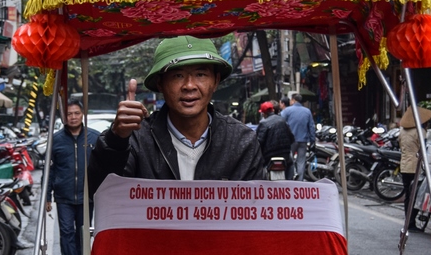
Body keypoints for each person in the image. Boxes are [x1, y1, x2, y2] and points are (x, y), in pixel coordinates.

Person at [88, 36, 264, 195]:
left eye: (200, 74)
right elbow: (101, 193)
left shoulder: (241, 141)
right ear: (160, 84)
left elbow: (253, 211)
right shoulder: (136, 139)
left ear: (215, 81)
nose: (189, 85)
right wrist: (116, 140)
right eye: (178, 75)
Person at [47, 99, 101, 255]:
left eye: (76, 113)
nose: (73, 117)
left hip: (87, 195)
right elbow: (50, 170)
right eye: (69, 114)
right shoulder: (56, 140)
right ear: (64, 116)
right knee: (66, 232)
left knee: (83, 233)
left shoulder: (94, 138)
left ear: (82, 114)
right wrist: (47, 196)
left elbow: (102, 167)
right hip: (64, 196)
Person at [399, 105, 431, 230]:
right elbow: (425, 148)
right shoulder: (421, 131)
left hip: (404, 165)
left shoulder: (402, 131)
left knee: (408, 194)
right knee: (416, 194)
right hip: (416, 167)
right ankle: (411, 222)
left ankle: (408, 221)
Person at [280, 93, 315, 181]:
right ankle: (300, 180)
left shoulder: (287, 111)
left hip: (290, 141)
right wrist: (312, 140)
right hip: (303, 140)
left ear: (293, 100)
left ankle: (291, 176)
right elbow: (311, 127)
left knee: (289, 160)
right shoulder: (307, 111)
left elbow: (280, 122)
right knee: (301, 161)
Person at [256, 101, 295, 179]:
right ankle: (291, 181)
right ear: (272, 110)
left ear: (263, 113)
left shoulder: (263, 123)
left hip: (268, 156)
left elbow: (259, 142)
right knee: (291, 164)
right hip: (285, 155)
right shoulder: (282, 120)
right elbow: (292, 138)